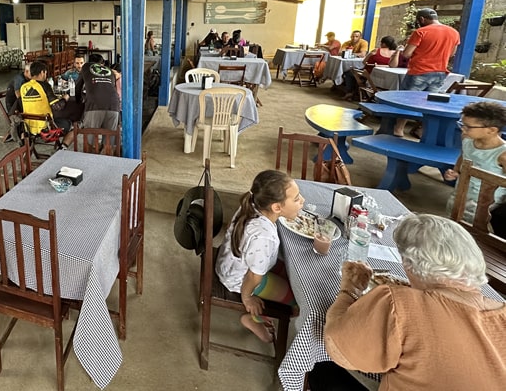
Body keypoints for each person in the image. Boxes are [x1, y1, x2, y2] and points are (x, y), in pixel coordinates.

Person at [321, 214, 505, 391]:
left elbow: (337, 349)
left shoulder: (399, 303)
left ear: (408, 264)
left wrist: (350, 289)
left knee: (323, 371)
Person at [215, 170, 303, 343]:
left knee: (297, 276)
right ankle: (255, 318)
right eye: (296, 199)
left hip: (231, 263)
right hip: (241, 279)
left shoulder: (252, 203)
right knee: (300, 299)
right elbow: (254, 276)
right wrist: (247, 298)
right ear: (276, 208)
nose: (302, 201)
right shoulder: (263, 237)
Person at [390, 8, 460, 136]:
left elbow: (407, 54)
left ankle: (399, 128)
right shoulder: (454, 32)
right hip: (440, 72)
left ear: (422, 19)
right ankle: (423, 130)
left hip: (419, 71)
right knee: (430, 103)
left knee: (407, 101)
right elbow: (452, 53)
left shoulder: (421, 32)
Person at [443, 101, 506, 234]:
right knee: (453, 226)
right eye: (462, 125)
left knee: (474, 233)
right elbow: (463, 155)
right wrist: (455, 171)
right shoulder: (467, 139)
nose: (463, 129)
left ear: (491, 130)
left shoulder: (503, 154)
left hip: (485, 206)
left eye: (468, 127)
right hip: (460, 195)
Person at [19, 60, 75, 148]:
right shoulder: (45, 86)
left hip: (28, 127)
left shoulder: (23, 87)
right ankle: (62, 148)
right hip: (46, 127)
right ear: (42, 72)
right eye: (45, 73)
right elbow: (57, 107)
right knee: (73, 126)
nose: (46, 75)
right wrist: (65, 98)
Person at [341, 36, 403, 101]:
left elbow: (364, 62)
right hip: (385, 76)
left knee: (349, 72)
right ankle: (355, 92)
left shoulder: (376, 50)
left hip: (369, 74)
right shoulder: (395, 53)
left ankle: (349, 92)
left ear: (383, 44)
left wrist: (370, 54)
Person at [74, 53, 120, 133]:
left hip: (94, 104)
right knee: (109, 139)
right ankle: (106, 145)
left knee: (90, 137)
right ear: (102, 64)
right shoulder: (109, 70)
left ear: (88, 62)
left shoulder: (86, 67)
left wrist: (78, 100)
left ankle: (91, 145)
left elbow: (78, 86)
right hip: (114, 104)